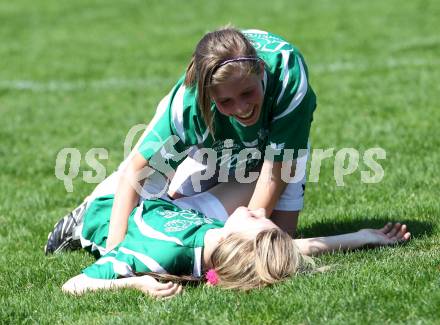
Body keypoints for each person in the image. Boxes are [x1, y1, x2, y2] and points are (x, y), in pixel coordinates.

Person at [101, 26, 316, 257]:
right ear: (210, 96)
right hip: (212, 147)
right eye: (226, 101)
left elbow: (279, 167)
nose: (241, 108)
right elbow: (136, 170)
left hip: (275, 153)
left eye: (247, 93)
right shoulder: (189, 106)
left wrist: (249, 235)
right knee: (164, 205)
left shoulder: (288, 76)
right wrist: (113, 256)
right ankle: (90, 211)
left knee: (278, 241)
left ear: (261, 70)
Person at [57, 177, 410, 299]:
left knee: (145, 160)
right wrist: (364, 236)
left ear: (240, 245)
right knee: (262, 172)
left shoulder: (158, 257)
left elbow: (72, 286)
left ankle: (74, 221)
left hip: (110, 206)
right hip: (167, 204)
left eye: (259, 222)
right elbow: (293, 248)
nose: (260, 212)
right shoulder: (221, 242)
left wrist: (134, 285)